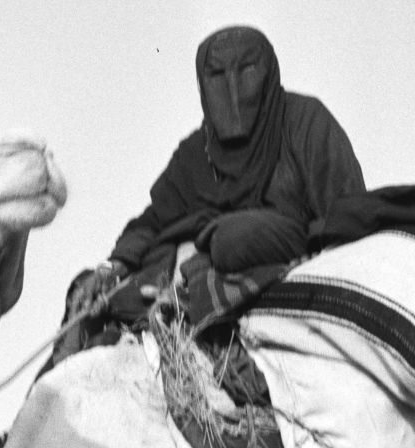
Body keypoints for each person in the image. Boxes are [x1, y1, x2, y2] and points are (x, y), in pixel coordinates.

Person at [68, 25, 366, 322]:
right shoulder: (197, 149)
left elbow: (346, 209)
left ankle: (196, 283)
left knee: (230, 238)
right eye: (218, 75)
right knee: (99, 294)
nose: (233, 88)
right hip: (203, 258)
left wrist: (316, 257)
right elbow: (154, 221)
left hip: (289, 244)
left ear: (269, 72)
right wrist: (113, 267)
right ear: (201, 83)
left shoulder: (305, 121)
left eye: (247, 69)